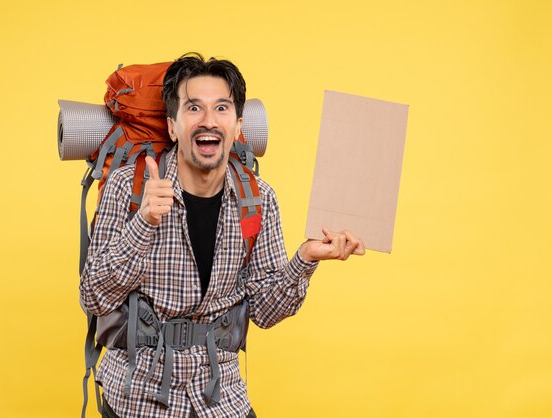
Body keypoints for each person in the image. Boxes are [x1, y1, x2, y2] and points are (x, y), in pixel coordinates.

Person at [80, 53, 365, 418]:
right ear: (172, 126)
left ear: (237, 125)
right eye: (194, 108)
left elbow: (264, 311)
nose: (208, 121)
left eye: (222, 108)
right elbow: (93, 297)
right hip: (137, 397)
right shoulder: (128, 187)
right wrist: (145, 222)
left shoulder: (258, 198)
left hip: (221, 398)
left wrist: (305, 259)